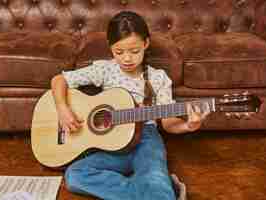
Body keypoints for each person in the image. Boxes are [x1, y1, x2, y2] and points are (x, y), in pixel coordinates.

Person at [51, 10, 209, 200]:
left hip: (146, 141)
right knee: (74, 176)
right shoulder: (105, 70)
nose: (127, 58)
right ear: (111, 47)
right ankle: (155, 191)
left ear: (146, 44)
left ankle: (154, 188)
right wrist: (62, 109)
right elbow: (59, 80)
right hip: (110, 145)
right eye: (119, 52)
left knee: (155, 183)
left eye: (134, 51)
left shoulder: (158, 78)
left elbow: (168, 123)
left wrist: (188, 125)